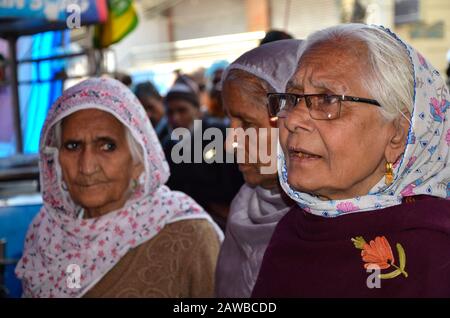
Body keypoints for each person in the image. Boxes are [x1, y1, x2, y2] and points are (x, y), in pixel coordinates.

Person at [252, 24, 450, 297]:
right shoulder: (293, 230)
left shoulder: (436, 250)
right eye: (292, 98)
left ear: (397, 134)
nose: (294, 119)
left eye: (328, 99)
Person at [15, 77, 223, 298]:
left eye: (107, 146)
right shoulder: (47, 238)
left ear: (138, 160)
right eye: (73, 146)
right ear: (55, 160)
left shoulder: (189, 235)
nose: (86, 167)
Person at [215, 39, 303, 297]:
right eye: (229, 121)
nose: (230, 143)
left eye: (247, 124)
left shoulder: (331, 220)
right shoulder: (245, 207)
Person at [162, 80, 244, 230]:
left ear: (198, 110)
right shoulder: (168, 145)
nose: (176, 118)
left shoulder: (219, 133)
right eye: (170, 112)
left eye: (182, 110)